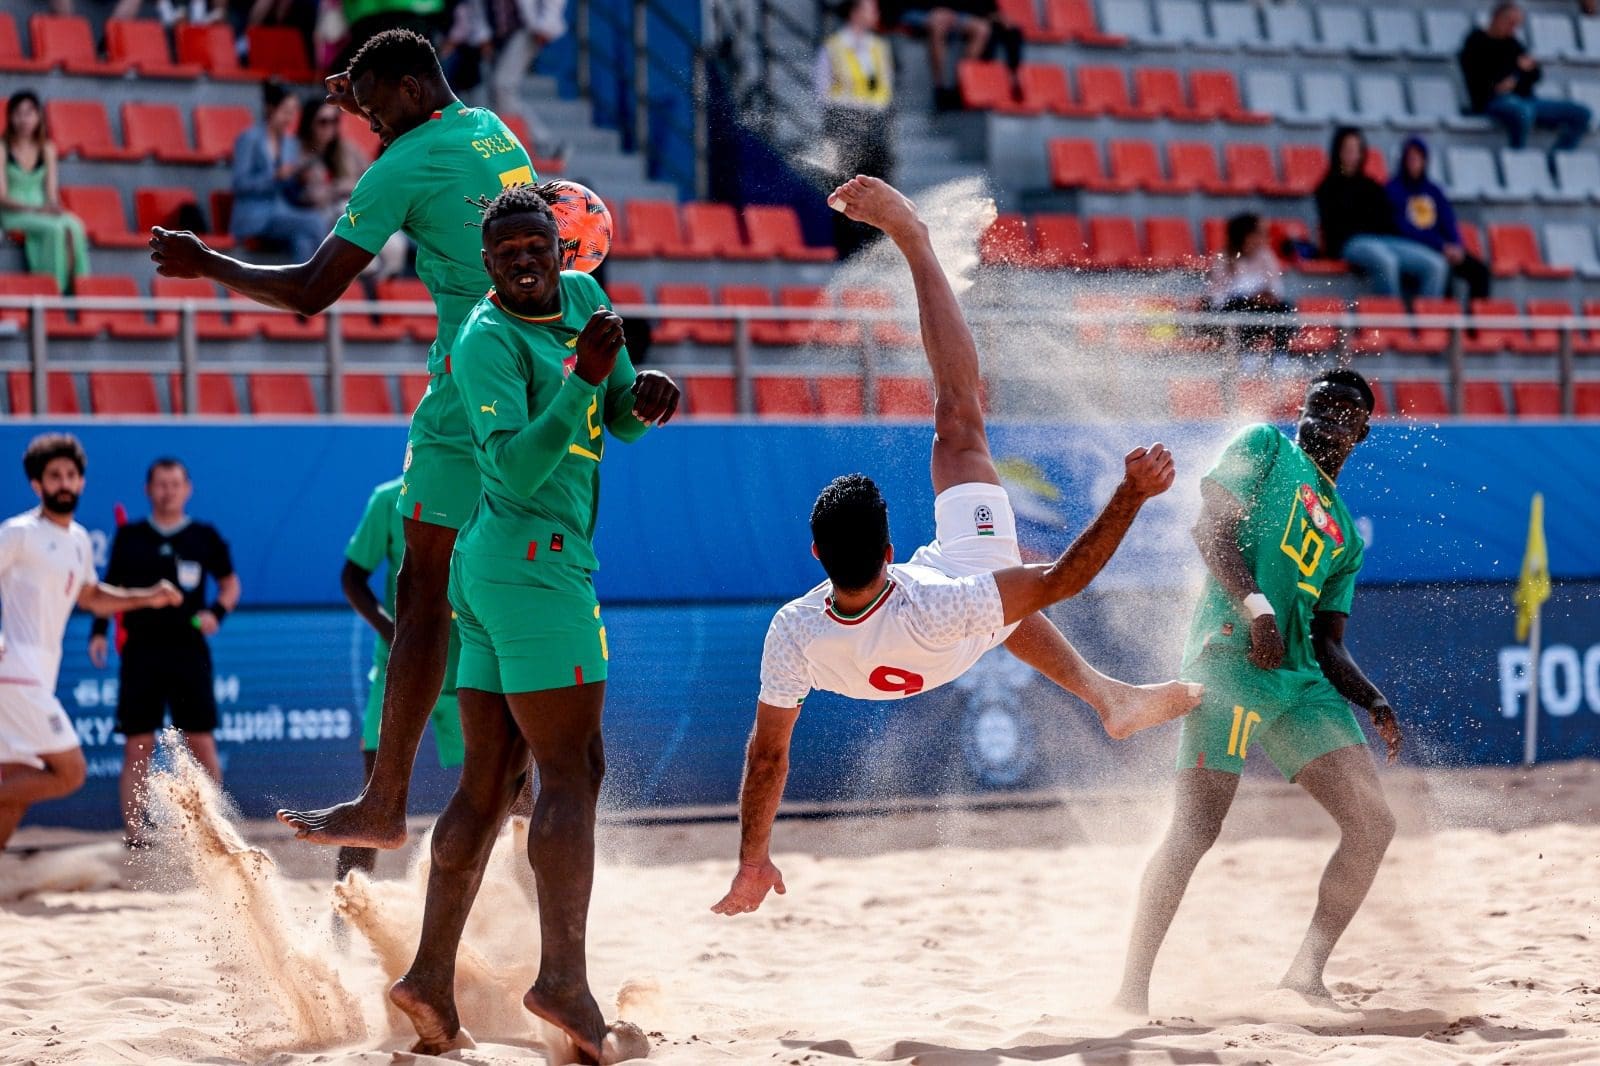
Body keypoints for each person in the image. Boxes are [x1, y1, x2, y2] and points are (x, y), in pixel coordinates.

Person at [709, 176, 1200, 919]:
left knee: (996, 600)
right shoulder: (941, 600)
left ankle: (1108, 697)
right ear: (893, 548)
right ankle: (916, 240)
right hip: (940, 627)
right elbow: (1062, 579)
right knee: (958, 419)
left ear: (814, 555)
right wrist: (1130, 494)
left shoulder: (792, 631)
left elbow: (767, 757)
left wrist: (752, 860)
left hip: (894, 654)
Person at [149, 28, 536, 852]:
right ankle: (521, 774)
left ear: (404, 88)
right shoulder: (493, 130)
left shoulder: (401, 163)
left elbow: (311, 291)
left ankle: (385, 802)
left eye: (371, 110)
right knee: (503, 578)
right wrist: (370, 89)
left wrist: (205, 262)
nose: (365, 127)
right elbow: (413, 119)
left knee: (424, 587)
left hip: (470, 383)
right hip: (534, 373)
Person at [385, 183, 677, 1062]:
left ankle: (430, 983)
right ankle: (564, 985)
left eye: (534, 248)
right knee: (571, 768)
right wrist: (584, 380)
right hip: (527, 559)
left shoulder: (587, 298)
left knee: (492, 780)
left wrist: (643, 399)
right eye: (504, 253)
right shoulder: (483, 340)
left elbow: (617, 422)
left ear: (562, 248)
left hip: (507, 567)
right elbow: (510, 469)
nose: (521, 261)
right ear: (487, 264)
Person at [1113, 370, 1402, 1013]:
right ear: (1302, 410)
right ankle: (1130, 990)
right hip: (1233, 658)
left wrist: (1372, 698)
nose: (1325, 419)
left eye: (1342, 413)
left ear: (1361, 432)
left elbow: (1329, 642)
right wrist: (1256, 606)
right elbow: (1207, 529)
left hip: (1300, 682)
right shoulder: (1267, 447)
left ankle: (1304, 975)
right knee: (1195, 828)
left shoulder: (1347, 538)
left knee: (1374, 824)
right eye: (1318, 405)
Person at [0, 435, 182, 851]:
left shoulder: (78, 540)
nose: (63, 482)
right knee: (70, 773)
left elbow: (91, 597)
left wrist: (147, 597)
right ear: (37, 485)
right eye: (53, 476)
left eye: (70, 475)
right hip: (12, 669)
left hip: (37, 675)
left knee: (16, 790)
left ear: (81, 482)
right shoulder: (19, 532)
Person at [88, 458, 240, 846]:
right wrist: (100, 631)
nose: (168, 491)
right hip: (140, 652)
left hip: (188, 650)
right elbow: (108, 588)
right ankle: (136, 835)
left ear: (187, 489)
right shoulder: (130, 536)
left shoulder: (204, 536)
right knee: (138, 742)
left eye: (175, 484)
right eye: (160, 484)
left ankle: (214, 829)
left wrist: (216, 613)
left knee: (201, 740)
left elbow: (229, 584)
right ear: (148, 489)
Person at [334, 474, 464, 881]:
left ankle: (524, 915)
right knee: (373, 798)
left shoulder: (489, 489)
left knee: (506, 793)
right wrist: (392, 631)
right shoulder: (390, 498)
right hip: (400, 669)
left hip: (470, 666)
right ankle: (342, 923)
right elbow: (352, 576)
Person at [1315, 126, 1447, 302]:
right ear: (1338, 151)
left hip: (1381, 240)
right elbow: (1337, 227)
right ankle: (1392, 324)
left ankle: (1427, 325)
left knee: (1436, 265)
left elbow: (1386, 220)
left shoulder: (1371, 185)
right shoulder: (1327, 187)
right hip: (1349, 243)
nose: (1353, 155)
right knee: (1386, 261)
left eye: (1357, 149)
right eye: (1348, 149)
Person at [1460, 2, 1591, 153]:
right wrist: (1515, 73)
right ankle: (1518, 156)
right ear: (1496, 18)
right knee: (1522, 112)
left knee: (1581, 114)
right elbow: (1483, 79)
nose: (1513, 29)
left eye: (1516, 25)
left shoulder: (1512, 43)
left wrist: (1517, 75)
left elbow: (1534, 74)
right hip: (1491, 101)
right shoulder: (1476, 42)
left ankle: (1558, 158)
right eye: (1510, 23)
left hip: (1524, 98)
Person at [1385, 136, 1492, 306]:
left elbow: (1448, 221)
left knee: (1480, 271)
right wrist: (1441, 246)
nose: (1415, 163)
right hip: (1417, 248)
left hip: (1443, 247)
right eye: (1411, 158)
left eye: (1418, 158)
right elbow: (1404, 229)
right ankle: (1442, 327)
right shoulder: (1393, 189)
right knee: (1443, 270)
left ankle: (1476, 327)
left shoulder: (1434, 190)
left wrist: (1456, 245)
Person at [0, 91, 89, 293]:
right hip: (14, 212)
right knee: (55, 230)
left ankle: (78, 290)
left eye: (29, 113)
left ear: (38, 116)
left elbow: (51, 191)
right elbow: (2, 196)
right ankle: (52, 290)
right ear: (10, 117)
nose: (24, 120)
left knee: (74, 225)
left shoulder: (47, 148)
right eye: (18, 114)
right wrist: (37, 208)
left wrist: (53, 207)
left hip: (41, 209)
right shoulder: (2, 148)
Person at [231, 80, 328, 262]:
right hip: (255, 215)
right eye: (286, 112)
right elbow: (240, 184)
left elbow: (289, 191)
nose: (290, 119)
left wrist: (299, 181)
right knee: (315, 221)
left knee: (304, 240)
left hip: (281, 211)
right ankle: (327, 278)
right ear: (270, 109)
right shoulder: (249, 139)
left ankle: (303, 289)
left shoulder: (291, 144)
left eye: (293, 113)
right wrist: (274, 177)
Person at [1204, 213, 1294, 352]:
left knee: (1285, 308)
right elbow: (1218, 297)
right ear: (1247, 236)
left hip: (1260, 305)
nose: (1266, 238)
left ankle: (1280, 355)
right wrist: (1250, 297)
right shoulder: (1224, 258)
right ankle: (1246, 354)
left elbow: (1277, 288)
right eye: (1261, 233)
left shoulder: (1266, 255)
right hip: (1231, 307)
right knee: (1243, 308)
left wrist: (1268, 296)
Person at [889, 1, 990, 110]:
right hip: (916, 11)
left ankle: (962, 85)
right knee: (938, 23)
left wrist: (952, 12)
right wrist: (937, 11)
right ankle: (940, 88)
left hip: (951, 14)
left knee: (982, 29)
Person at [292, 96, 369, 229]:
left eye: (334, 121)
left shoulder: (346, 148)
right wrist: (338, 188)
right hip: (320, 215)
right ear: (310, 123)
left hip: (352, 209)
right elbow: (309, 197)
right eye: (323, 122)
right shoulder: (299, 153)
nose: (330, 127)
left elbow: (370, 177)